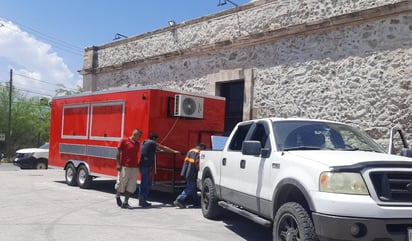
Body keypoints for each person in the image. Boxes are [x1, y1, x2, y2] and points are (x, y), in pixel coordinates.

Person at [139, 132, 180, 207]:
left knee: (146, 182)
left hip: (143, 165)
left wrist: (161, 151)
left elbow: (157, 149)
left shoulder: (146, 142)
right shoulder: (152, 142)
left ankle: (142, 199)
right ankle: (142, 200)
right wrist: (174, 151)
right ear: (154, 138)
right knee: (146, 183)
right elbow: (163, 147)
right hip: (146, 165)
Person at [115, 129, 143, 209]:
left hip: (134, 168)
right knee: (121, 184)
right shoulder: (124, 141)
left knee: (131, 186)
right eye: (139, 136)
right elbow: (118, 152)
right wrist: (118, 164)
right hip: (125, 166)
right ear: (134, 134)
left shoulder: (138, 144)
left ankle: (125, 202)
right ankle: (117, 196)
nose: (139, 138)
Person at [173, 143, 206, 208]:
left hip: (186, 171)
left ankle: (196, 201)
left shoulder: (190, 150)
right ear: (201, 147)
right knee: (190, 187)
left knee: (193, 188)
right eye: (204, 149)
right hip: (192, 172)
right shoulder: (198, 152)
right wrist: (200, 171)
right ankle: (179, 199)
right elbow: (197, 163)